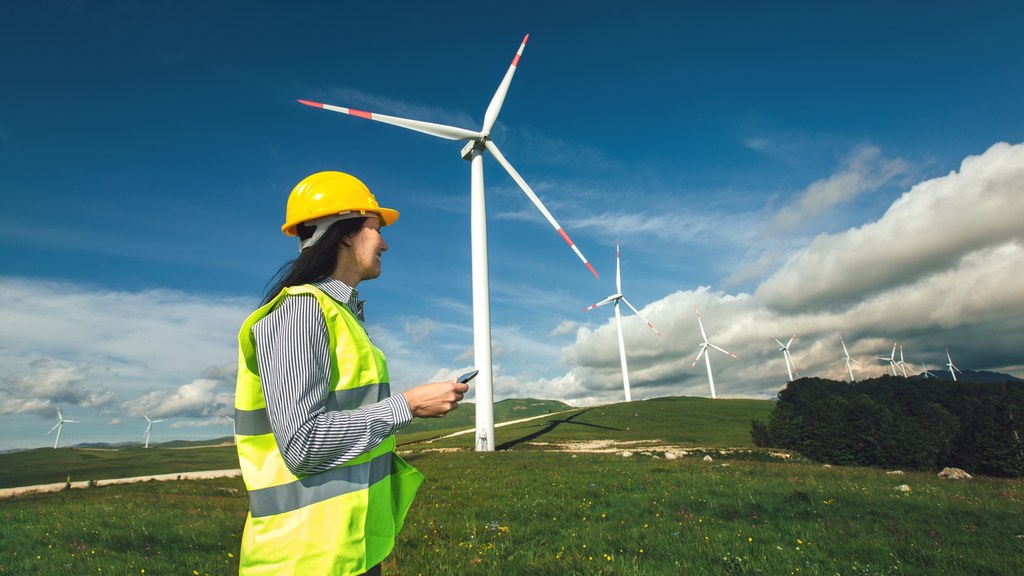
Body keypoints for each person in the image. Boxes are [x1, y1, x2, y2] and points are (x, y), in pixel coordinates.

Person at [233, 171, 469, 575]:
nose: (386, 243)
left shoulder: (338, 315)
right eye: (376, 228)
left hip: (346, 550)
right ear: (344, 233)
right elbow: (302, 444)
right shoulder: (301, 312)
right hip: (305, 558)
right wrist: (408, 405)